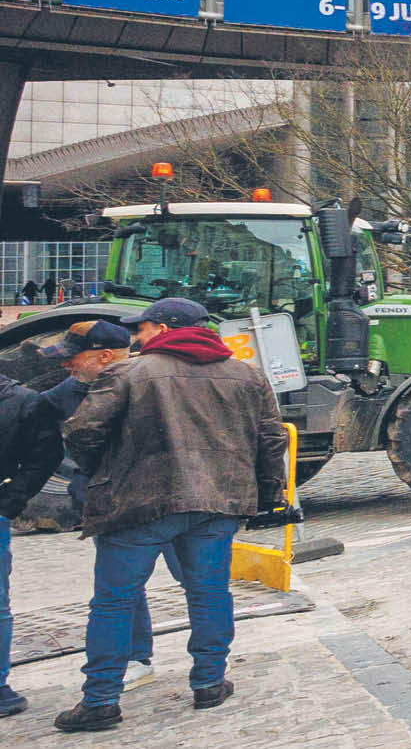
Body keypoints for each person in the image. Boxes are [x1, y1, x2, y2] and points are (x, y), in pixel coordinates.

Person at [53, 298, 287, 732]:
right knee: (210, 593)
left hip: (140, 505)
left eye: (139, 330)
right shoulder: (246, 375)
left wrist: (103, 472)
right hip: (216, 503)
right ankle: (210, 682)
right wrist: (269, 496)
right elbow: (272, 440)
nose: (135, 338)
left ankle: (101, 699)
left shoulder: (127, 373)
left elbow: (83, 432)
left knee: (113, 601)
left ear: (162, 328)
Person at [36, 322, 169, 694]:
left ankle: (210, 672)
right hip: (112, 503)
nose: (65, 366)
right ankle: (136, 658)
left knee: (199, 584)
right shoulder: (68, 393)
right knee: (122, 588)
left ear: (105, 356)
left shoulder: (160, 379)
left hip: (170, 497)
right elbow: (34, 430)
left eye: (71, 358)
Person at [0, 342, 66, 717]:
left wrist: (11, 501)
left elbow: (45, 457)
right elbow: (46, 457)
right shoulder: (26, 401)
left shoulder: (24, 402)